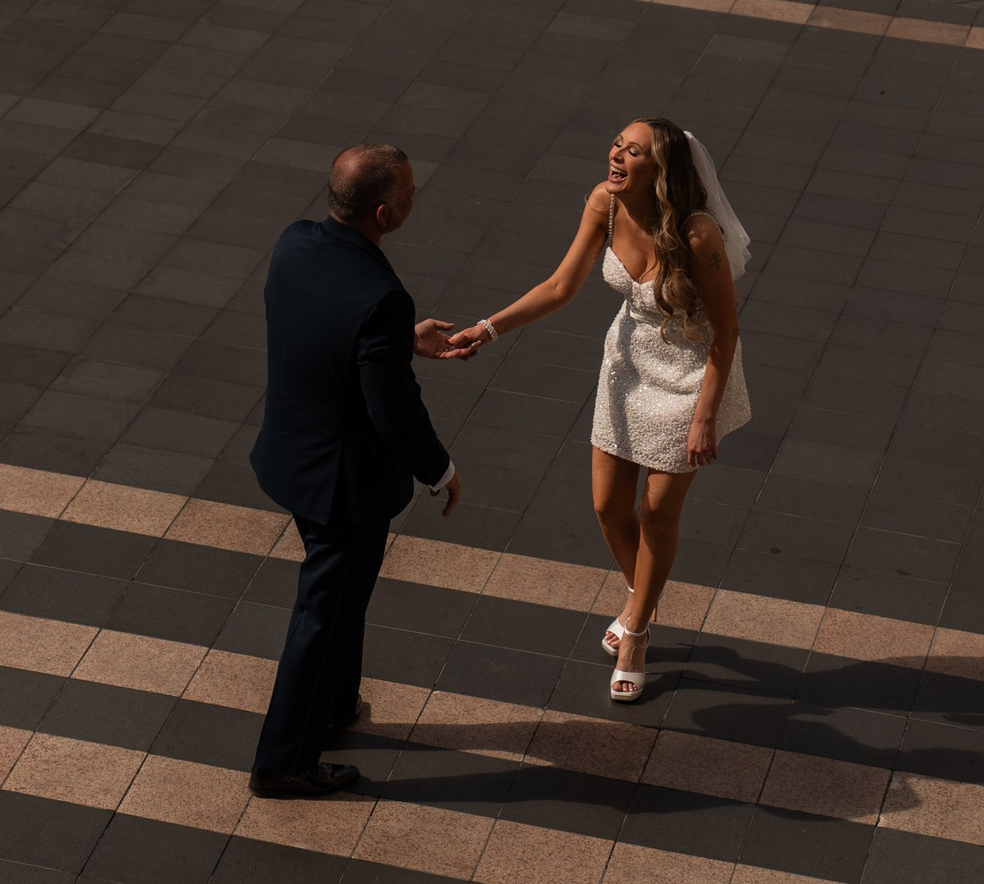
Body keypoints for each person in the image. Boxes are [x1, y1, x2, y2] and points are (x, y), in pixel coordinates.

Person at [444, 120, 751, 704]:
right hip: (628, 368)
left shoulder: (698, 234)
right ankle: (644, 595)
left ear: (660, 172)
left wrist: (706, 415)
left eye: (633, 152)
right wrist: (487, 329)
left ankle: (636, 630)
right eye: (616, 143)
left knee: (658, 512)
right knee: (609, 508)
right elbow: (562, 285)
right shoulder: (604, 203)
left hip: (689, 376)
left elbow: (727, 329)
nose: (616, 155)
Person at [247, 143, 468, 799]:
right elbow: (391, 409)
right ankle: (283, 761)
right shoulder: (380, 296)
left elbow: (324, 326)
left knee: (342, 594)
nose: (413, 197)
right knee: (323, 609)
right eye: (408, 191)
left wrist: (398, 342)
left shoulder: (294, 244)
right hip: (344, 485)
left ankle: (337, 702)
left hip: (295, 459)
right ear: (384, 211)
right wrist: (440, 467)